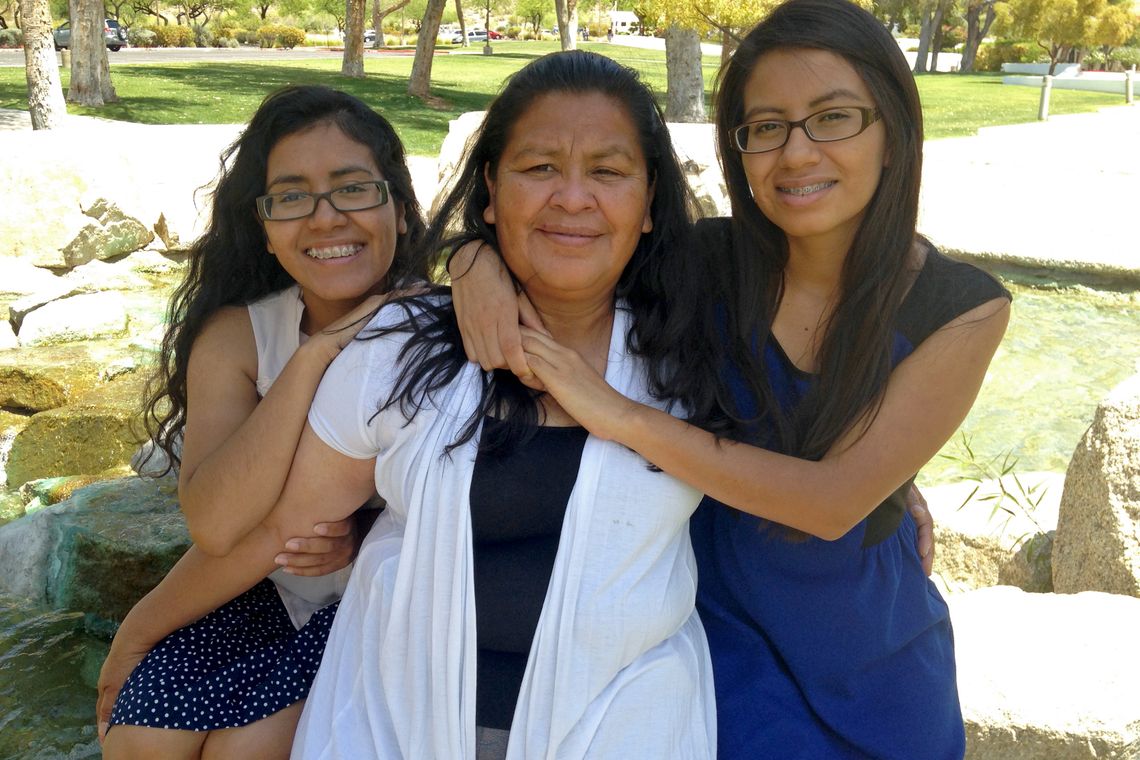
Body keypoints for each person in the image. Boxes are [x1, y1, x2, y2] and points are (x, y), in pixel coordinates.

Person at [93, 51, 724, 759]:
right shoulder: (373, 343)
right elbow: (244, 524)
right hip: (352, 665)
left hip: (601, 715)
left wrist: (471, 263)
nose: (573, 197)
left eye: (607, 172)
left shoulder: (696, 342)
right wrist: (139, 630)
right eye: (539, 168)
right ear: (490, 190)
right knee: (143, 739)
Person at [448, 1, 1011, 757]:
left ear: (893, 134)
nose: (797, 153)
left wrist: (617, 415)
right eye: (766, 127)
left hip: (874, 661)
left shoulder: (963, 306)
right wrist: (471, 261)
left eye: (833, 117)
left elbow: (833, 502)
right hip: (714, 641)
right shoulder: (698, 264)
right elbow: (563, 247)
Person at [95, 84, 427, 759]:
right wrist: (311, 359)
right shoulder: (239, 335)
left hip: (383, 607)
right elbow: (216, 522)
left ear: (395, 202)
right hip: (265, 592)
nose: (325, 218)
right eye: (292, 196)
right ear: (265, 226)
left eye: (353, 188)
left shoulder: (435, 327)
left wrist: (360, 531)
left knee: (249, 749)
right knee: (141, 740)